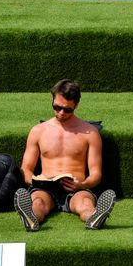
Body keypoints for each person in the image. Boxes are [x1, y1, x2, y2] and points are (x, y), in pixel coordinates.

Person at [13, 80, 116, 231]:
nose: (61, 113)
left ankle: (95, 217)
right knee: (38, 204)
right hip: (45, 188)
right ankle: (31, 219)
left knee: (85, 204)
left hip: (76, 188)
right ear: (52, 100)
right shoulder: (38, 131)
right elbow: (26, 169)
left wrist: (82, 185)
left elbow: (96, 174)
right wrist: (36, 181)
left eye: (67, 110)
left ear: (76, 105)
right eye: (57, 107)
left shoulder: (90, 133)